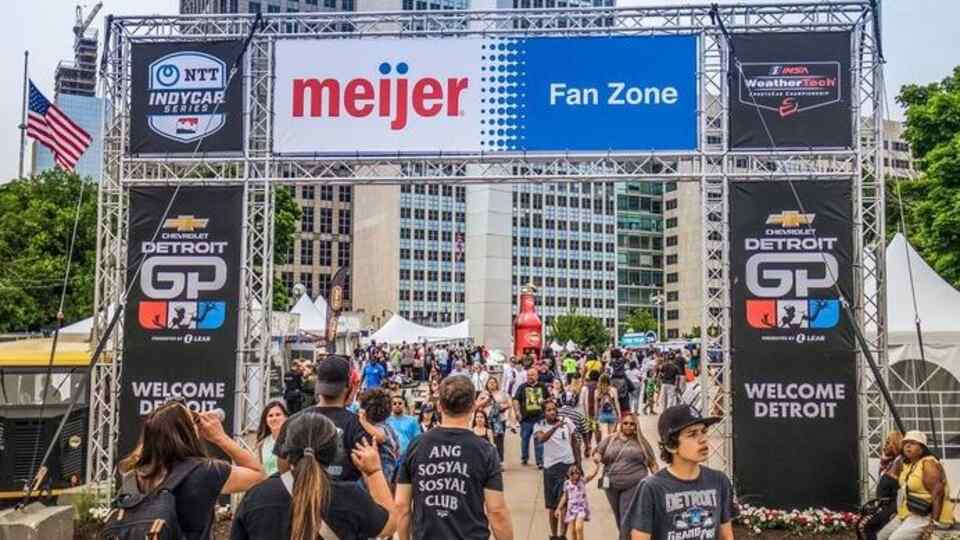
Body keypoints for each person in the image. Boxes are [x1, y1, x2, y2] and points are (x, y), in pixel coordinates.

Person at [230, 410, 398, 540]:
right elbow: (389, 525)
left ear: (287, 450)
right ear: (335, 452)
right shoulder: (351, 496)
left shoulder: (256, 497)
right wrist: (374, 472)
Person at [117, 400, 265, 540]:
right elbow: (258, 475)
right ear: (186, 432)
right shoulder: (205, 471)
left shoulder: (133, 477)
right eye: (194, 421)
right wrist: (220, 437)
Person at [396, 375, 514, 540]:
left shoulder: (416, 446)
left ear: (439, 406)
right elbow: (496, 511)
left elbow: (401, 506)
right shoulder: (485, 451)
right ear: (472, 407)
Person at [624, 404, 735, 540]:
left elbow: (727, 535)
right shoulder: (651, 488)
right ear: (671, 445)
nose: (703, 439)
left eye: (704, 431)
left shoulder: (719, 480)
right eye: (692, 434)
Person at [274, 355, 367, 482]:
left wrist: (296, 489)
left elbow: (283, 465)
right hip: (346, 492)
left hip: (301, 492)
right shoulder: (359, 425)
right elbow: (368, 472)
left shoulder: (293, 421)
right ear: (348, 386)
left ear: (318, 384)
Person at [589, 412, 658, 533]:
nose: (628, 426)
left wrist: (657, 481)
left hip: (633, 484)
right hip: (611, 485)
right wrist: (597, 458)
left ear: (636, 426)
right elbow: (598, 451)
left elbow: (652, 463)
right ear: (621, 424)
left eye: (632, 424)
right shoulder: (611, 439)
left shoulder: (641, 442)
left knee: (626, 514)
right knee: (619, 516)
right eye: (625, 423)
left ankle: (625, 536)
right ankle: (626, 534)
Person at [878, 430, 954, 540]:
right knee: (881, 536)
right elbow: (904, 491)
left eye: (913, 443)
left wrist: (933, 523)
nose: (907, 446)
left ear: (922, 448)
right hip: (910, 512)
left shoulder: (928, 463)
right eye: (905, 443)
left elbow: (938, 494)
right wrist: (900, 512)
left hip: (927, 515)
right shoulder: (910, 463)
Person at [535, 399, 580, 540]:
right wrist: (555, 427)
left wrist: (578, 464)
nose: (552, 412)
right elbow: (541, 439)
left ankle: (563, 535)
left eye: (554, 409)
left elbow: (575, 442)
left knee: (565, 503)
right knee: (552, 505)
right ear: (544, 412)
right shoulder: (539, 425)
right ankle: (554, 535)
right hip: (551, 469)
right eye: (548, 410)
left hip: (567, 466)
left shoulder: (567, 422)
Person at [861, 432, 904, 540]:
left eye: (888, 443)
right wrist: (884, 461)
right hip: (883, 505)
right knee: (865, 526)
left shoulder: (900, 461)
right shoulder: (891, 462)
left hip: (892, 506)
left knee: (865, 527)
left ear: (896, 444)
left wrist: (897, 512)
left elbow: (903, 489)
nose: (884, 446)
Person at [357, 387, 400, 483]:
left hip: (385, 467)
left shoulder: (383, 427)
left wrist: (363, 421)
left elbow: (380, 437)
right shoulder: (386, 425)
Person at [514, 368, 550, 468]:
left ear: (537, 376)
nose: (530, 377)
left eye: (532, 375)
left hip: (539, 419)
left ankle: (540, 462)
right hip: (526, 419)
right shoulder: (522, 387)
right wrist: (517, 412)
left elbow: (548, 398)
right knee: (525, 439)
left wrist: (546, 403)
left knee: (539, 440)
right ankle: (524, 457)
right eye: (528, 375)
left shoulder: (542, 386)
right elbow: (516, 400)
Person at [478, 376, 515, 461]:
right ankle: (487, 459)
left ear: (497, 384)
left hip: (500, 420)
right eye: (490, 382)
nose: (492, 384)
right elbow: (477, 405)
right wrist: (486, 400)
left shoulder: (502, 393)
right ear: (487, 384)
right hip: (486, 420)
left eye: (493, 382)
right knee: (486, 440)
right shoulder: (483, 394)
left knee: (499, 441)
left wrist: (501, 407)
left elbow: (509, 404)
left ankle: (499, 460)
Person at [555, 465, 590, 540]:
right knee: (573, 531)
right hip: (571, 510)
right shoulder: (567, 483)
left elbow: (591, 476)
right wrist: (558, 508)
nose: (574, 478)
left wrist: (596, 467)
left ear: (579, 475)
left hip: (581, 508)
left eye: (577, 475)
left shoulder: (582, 481)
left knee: (579, 528)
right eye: (572, 476)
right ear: (568, 475)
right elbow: (565, 497)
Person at [255, 400, 289, 476]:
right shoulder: (262, 444)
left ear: (286, 417)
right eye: (270, 416)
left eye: (278, 415)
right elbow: (261, 470)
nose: (274, 418)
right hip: (269, 481)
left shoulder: (293, 439)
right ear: (266, 420)